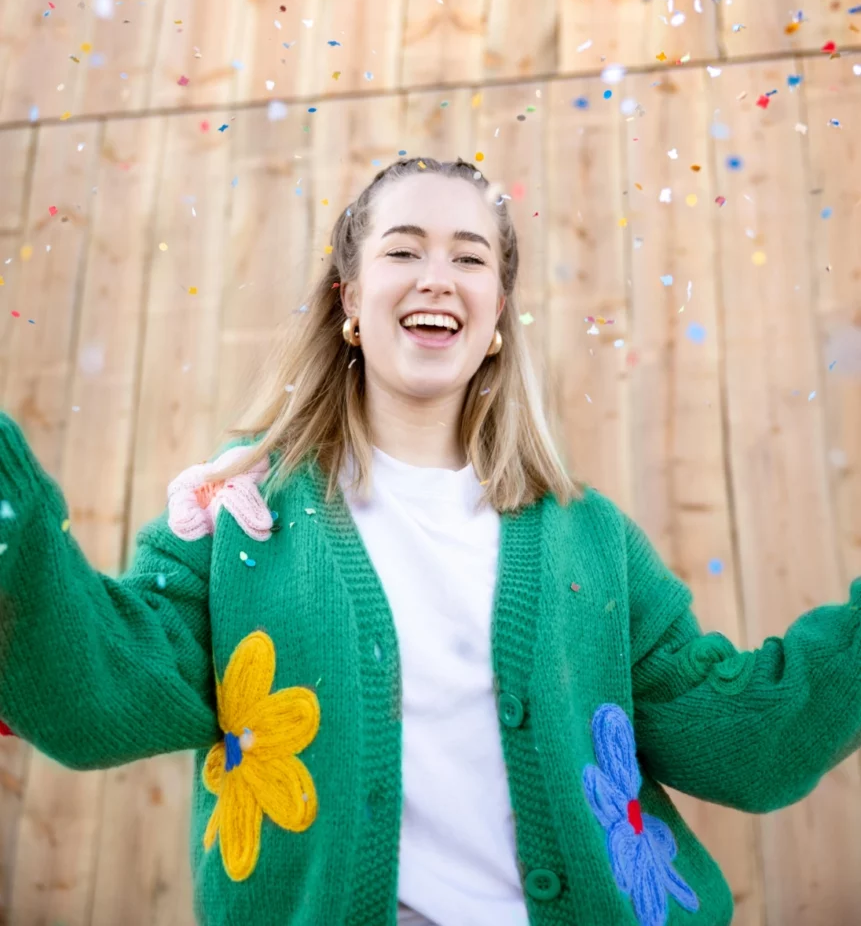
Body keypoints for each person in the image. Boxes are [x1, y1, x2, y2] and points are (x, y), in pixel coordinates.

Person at [1, 156, 860, 926]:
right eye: (403, 250)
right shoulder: (242, 522)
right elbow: (100, 697)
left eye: (469, 256)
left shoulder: (589, 541)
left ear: (495, 319)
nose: (436, 277)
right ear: (348, 298)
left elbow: (747, 744)